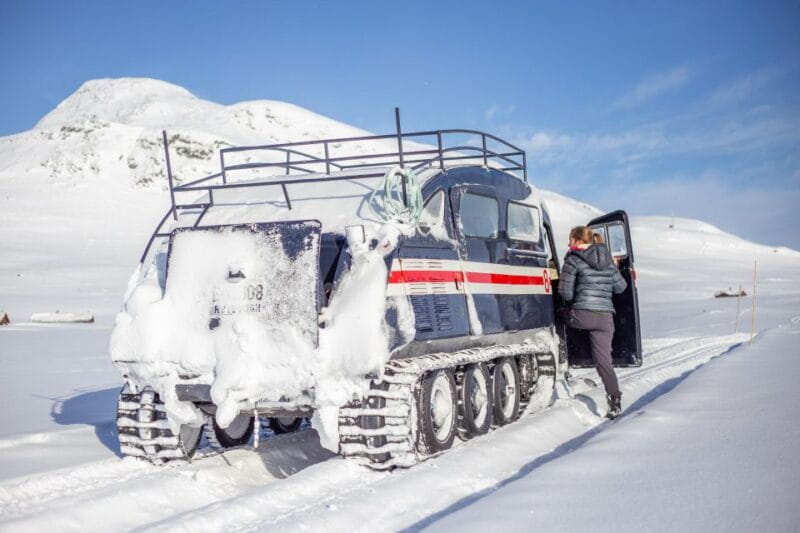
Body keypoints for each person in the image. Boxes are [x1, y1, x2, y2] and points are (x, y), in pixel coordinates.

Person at [559, 226, 628, 419]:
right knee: (603, 362)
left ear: (579, 241)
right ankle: (615, 401)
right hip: (605, 319)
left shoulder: (573, 260)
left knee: (557, 316)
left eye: (570, 240)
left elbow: (566, 293)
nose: (568, 243)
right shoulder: (607, 260)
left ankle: (560, 365)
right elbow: (621, 287)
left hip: (582, 315)